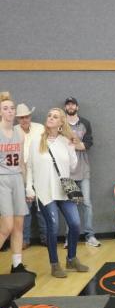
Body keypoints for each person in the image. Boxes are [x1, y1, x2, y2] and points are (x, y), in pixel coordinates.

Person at [26, 108, 89, 278]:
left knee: (75, 224)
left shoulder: (65, 141)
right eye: (49, 116)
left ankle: (71, 259)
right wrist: (29, 188)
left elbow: (73, 166)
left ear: (61, 122)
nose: (51, 118)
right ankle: (55, 265)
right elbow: (30, 166)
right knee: (52, 228)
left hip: (65, 190)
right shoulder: (35, 141)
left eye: (55, 117)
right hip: (45, 192)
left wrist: (73, 145)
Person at [0, 92, 35, 275]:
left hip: (17, 179)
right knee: (6, 226)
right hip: (2, 179)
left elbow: (22, 162)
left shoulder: (19, 133)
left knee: (19, 225)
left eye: (12, 108)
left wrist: (27, 186)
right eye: (5, 108)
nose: (10, 111)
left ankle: (17, 265)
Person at [63, 97, 100, 247]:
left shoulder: (85, 123)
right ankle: (69, 238)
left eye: (73, 104)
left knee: (87, 203)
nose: (70, 106)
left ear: (77, 107)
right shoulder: (61, 124)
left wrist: (73, 144)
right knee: (70, 205)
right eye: (68, 104)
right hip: (67, 172)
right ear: (65, 107)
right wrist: (77, 143)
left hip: (83, 170)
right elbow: (60, 146)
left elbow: (87, 145)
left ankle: (90, 236)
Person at [14, 103, 47, 249]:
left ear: (30, 116)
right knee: (25, 209)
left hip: (39, 170)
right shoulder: (13, 131)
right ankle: (25, 239)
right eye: (21, 118)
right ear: (17, 119)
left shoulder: (40, 128)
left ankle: (46, 238)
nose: (24, 119)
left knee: (41, 207)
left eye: (26, 116)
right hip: (21, 172)